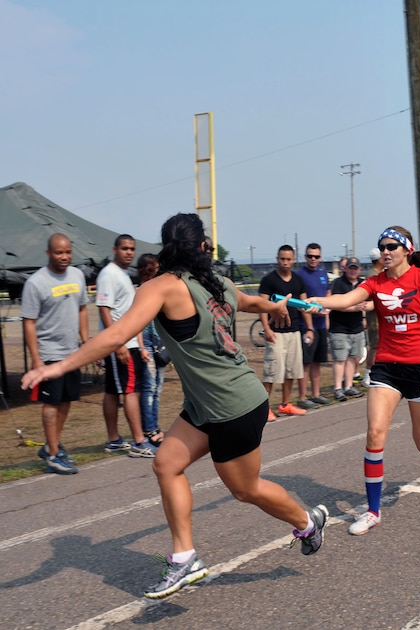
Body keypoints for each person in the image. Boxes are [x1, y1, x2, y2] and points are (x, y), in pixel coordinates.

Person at [21, 213, 329, 599]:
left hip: (234, 405)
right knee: (166, 464)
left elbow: (117, 333)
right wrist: (275, 306)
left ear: (166, 246)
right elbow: (252, 301)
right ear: (202, 246)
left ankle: (308, 521)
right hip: (206, 404)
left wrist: (60, 366)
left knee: (245, 489)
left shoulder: (163, 286)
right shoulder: (216, 283)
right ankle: (185, 559)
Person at [307, 226, 420, 536]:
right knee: (374, 434)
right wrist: (316, 301)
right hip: (387, 368)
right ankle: (372, 511)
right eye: (382, 246)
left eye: (392, 246)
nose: (385, 251)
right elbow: (344, 299)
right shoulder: (375, 282)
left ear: (406, 249)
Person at [20, 233, 89, 475]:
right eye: (59, 252)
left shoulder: (78, 275)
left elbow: (82, 308)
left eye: (68, 252)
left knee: (67, 400)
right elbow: (28, 322)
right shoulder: (36, 283)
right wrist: (37, 361)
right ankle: (52, 456)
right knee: (51, 403)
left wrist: (85, 340)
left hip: (72, 353)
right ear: (48, 253)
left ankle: (53, 444)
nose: (64, 257)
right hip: (49, 354)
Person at [95, 234, 156, 457]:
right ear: (115, 249)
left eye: (132, 248)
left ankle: (114, 440)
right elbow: (104, 308)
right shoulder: (109, 274)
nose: (129, 252)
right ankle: (139, 442)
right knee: (132, 392)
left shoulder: (122, 274)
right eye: (124, 248)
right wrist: (119, 342)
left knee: (112, 391)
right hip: (121, 343)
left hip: (127, 342)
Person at [258, 245, 314, 417]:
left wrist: (310, 328)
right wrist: (266, 328)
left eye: (289, 259)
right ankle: (263, 409)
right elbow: (262, 307)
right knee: (272, 372)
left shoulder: (298, 280)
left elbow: (305, 307)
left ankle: (285, 404)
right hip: (276, 333)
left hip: (294, 332)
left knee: (291, 371)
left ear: (293, 259)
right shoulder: (269, 280)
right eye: (282, 259)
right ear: (277, 258)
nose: (285, 262)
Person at [295, 243, 332, 408]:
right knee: (306, 362)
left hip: (321, 324)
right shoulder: (300, 275)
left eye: (316, 256)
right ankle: (302, 397)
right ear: (305, 257)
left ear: (320, 257)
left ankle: (316, 394)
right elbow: (300, 302)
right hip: (306, 325)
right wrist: (316, 311)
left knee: (318, 361)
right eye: (310, 256)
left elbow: (328, 293)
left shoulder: (323, 273)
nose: (313, 259)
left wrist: (327, 312)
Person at [329, 257, 369, 401]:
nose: (353, 271)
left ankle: (348, 386)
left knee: (353, 357)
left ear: (359, 270)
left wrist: (363, 317)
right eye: (350, 268)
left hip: (356, 327)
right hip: (339, 327)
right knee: (340, 359)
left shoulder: (362, 284)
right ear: (345, 269)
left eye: (355, 268)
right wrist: (354, 308)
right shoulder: (338, 283)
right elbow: (337, 304)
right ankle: (338, 388)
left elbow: (366, 304)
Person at [137, 253, 166, 448]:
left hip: (160, 340)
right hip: (146, 339)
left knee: (158, 388)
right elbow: (137, 321)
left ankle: (154, 426)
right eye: (151, 268)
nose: (154, 271)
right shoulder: (141, 290)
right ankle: (149, 428)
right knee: (149, 387)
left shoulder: (159, 289)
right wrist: (140, 346)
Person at [363, 248, 383, 385]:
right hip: (374, 316)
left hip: (380, 314)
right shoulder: (373, 275)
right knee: (375, 345)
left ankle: (377, 371)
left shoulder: (379, 273)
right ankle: (368, 373)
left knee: (380, 345)